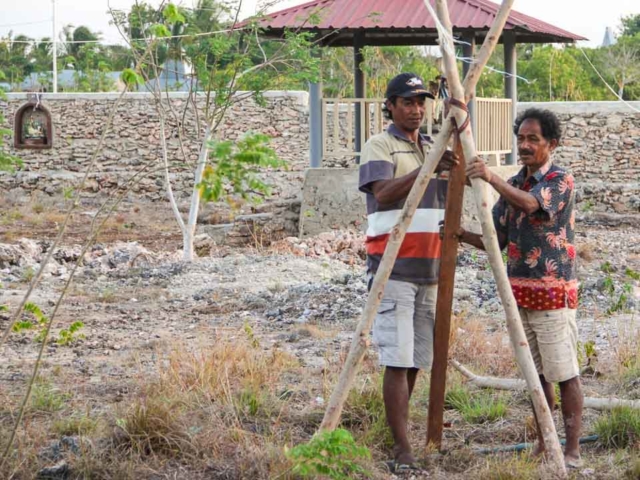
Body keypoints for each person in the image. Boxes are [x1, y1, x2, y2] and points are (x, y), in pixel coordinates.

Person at [460, 108, 583, 468]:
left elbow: (532, 207)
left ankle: (572, 449)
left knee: (564, 372)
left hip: (552, 293)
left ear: (552, 144)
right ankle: (546, 442)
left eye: (534, 139)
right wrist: (459, 235)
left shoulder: (560, 180)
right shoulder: (517, 183)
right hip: (519, 295)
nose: (525, 145)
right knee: (536, 375)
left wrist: (490, 177)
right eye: (522, 138)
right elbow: (495, 239)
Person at [358, 72, 458, 472]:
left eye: (422, 103)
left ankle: (401, 436)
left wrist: (448, 166)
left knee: (415, 357)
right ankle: (402, 450)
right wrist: (428, 168)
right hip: (393, 267)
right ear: (390, 106)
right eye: (407, 102)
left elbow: (446, 195)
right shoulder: (379, 145)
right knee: (397, 360)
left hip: (430, 269)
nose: (416, 110)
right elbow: (382, 193)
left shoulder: (431, 147)